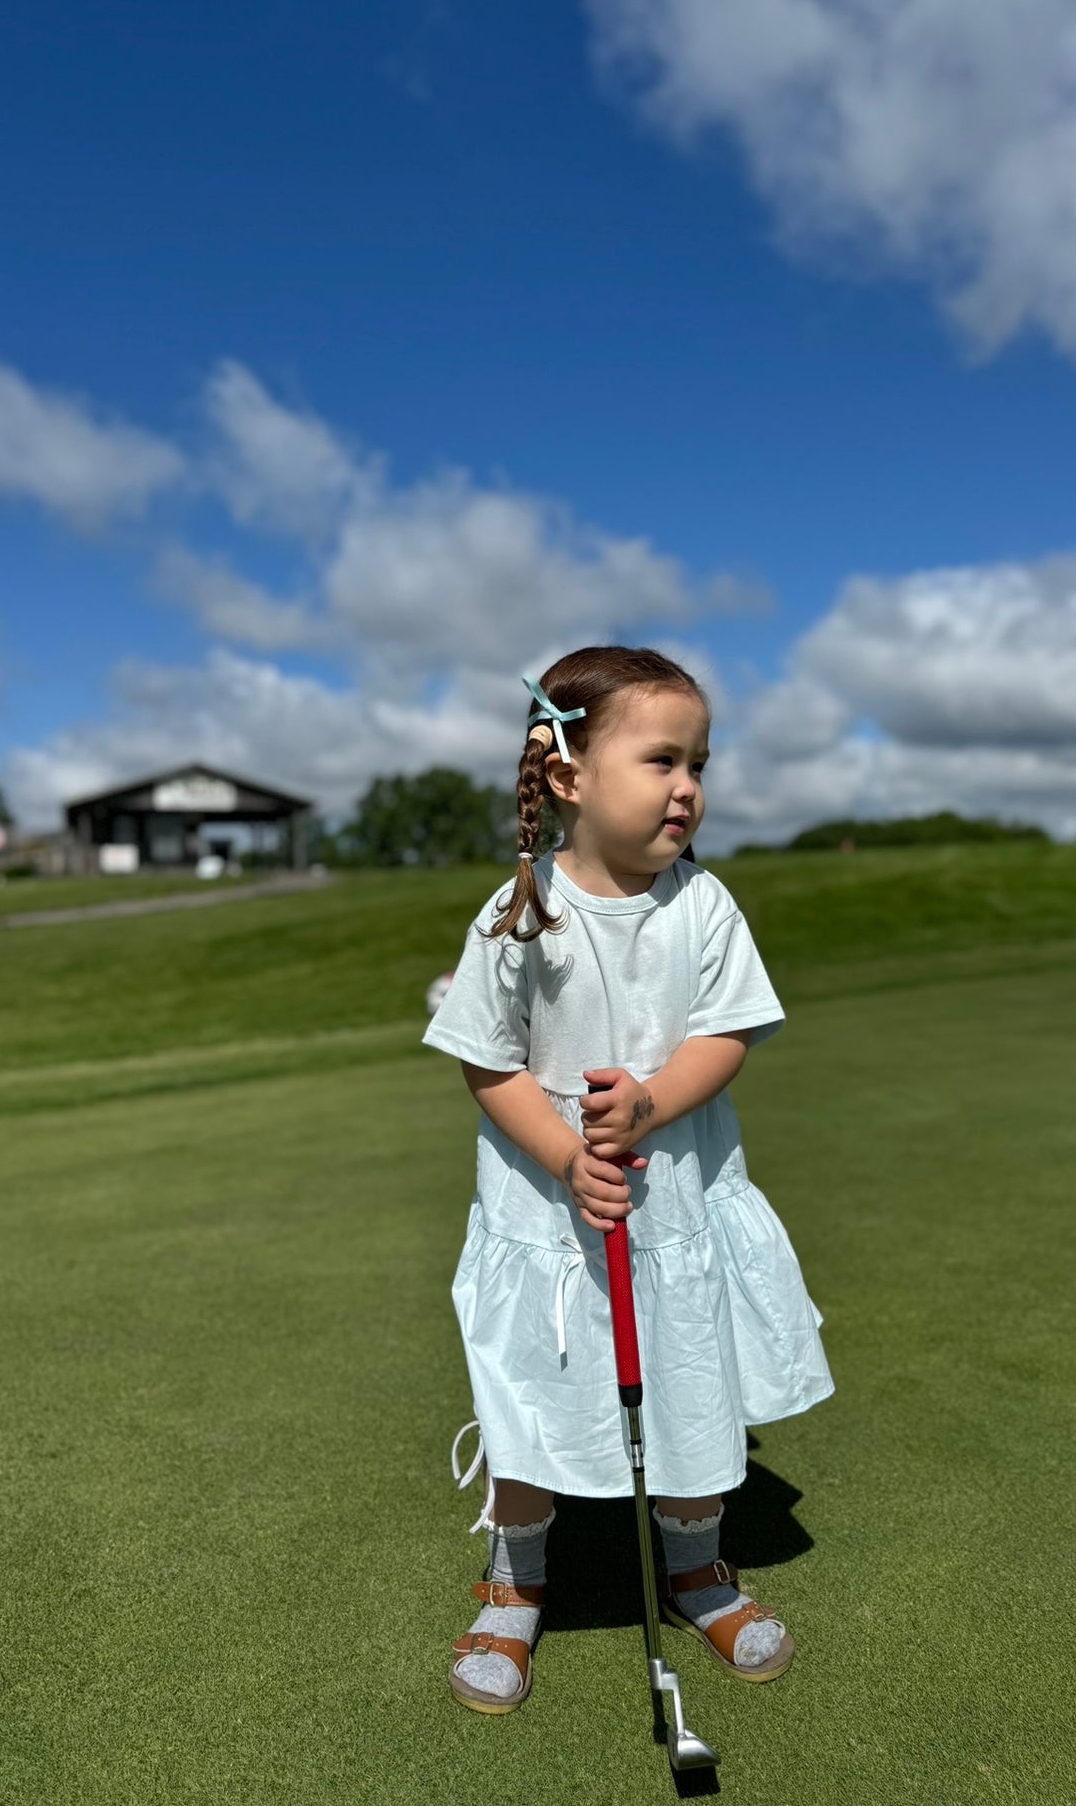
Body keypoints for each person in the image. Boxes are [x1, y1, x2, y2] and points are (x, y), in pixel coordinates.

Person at [423, 644, 833, 1713]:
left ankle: (694, 1566)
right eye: (660, 759)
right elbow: (486, 1058)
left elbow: (726, 1033)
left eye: (698, 762)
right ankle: (516, 1577)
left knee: (690, 1380)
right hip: (547, 1220)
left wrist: (648, 1103)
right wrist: (563, 1153)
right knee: (528, 1393)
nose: (686, 785)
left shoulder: (702, 905)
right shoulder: (520, 908)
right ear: (565, 774)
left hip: (673, 1208)